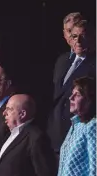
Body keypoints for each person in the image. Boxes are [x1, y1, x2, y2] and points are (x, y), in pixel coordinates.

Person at [48, 20, 96, 156]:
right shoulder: (62, 60)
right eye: (75, 36)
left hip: (78, 134)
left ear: (93, 37)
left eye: (83, 36)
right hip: (54, 135)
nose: (79, 40)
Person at [55, 77, 96, 176]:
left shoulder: (93, 126)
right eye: (71, 94)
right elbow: (64, 171)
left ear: (89, 100)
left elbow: (95, 169)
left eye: (77, 95)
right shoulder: (75, 126)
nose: (70, 98)